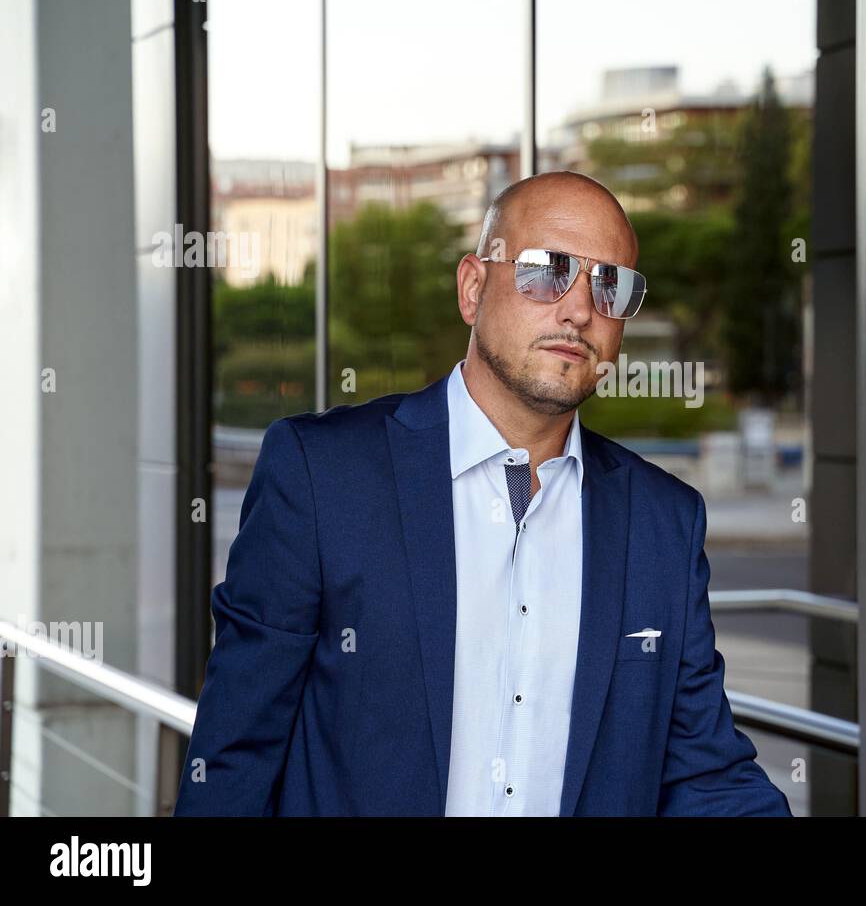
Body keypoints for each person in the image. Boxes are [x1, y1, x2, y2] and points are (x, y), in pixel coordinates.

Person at [174, 170, 792, 817]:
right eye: (547, 269)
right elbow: (236, 755)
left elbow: (705, 775)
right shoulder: (323, 476)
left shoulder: (665, 522)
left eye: (610, 284)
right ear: (473, 288)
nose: (580, 308)